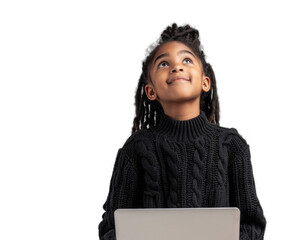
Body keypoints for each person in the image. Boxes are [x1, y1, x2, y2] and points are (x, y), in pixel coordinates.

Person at [98, 23, 267, 240]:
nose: (176, 67)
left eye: (186, 60)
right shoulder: (136, 149)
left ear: (206, 82)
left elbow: (252, 225)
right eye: (163, 64)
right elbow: (111, 227)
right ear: (150, 91)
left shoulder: (232, 145)